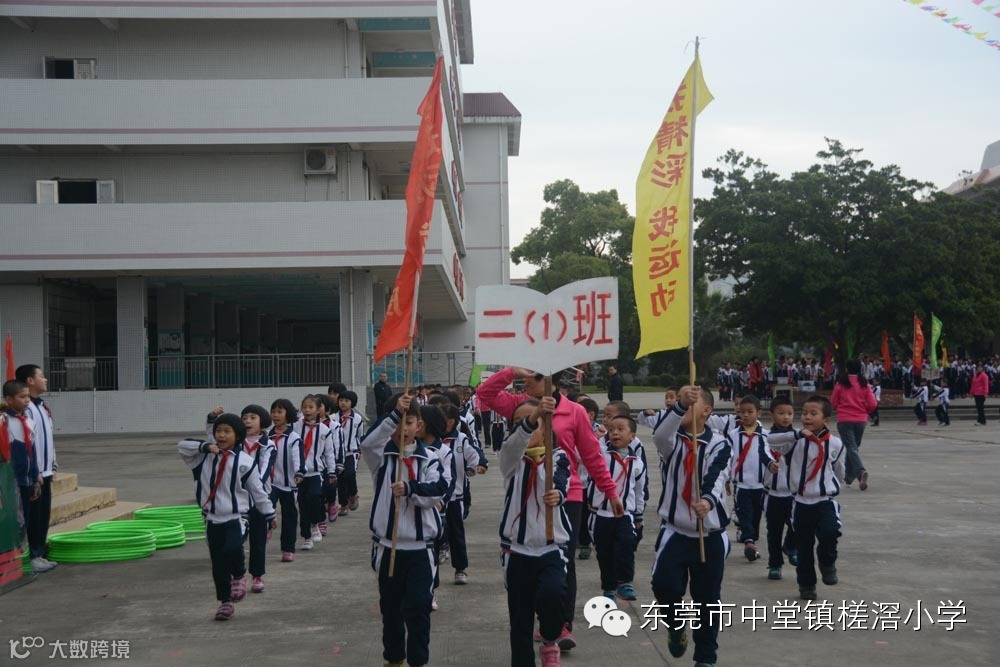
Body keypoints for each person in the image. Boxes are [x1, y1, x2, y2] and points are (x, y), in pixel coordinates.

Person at [477, 367, 624, 651]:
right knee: (528, 570)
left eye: (531, 376)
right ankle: (534, 620)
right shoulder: (520, 405)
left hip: (568, 494)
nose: (524, 381)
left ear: (548, 379)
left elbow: (591, 455)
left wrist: (611, 491)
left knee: (564, 561)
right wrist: (511, 372)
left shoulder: (574, 412)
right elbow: (485, 394)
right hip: (527, 496)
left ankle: (560, 625)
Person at [361, 394, 448, 667]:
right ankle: (394, 659)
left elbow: (438, 491)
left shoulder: (431, 458)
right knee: (391, 609)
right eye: (397, 423)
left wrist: (410, 489)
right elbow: (367, 443)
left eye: (408, 422)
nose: (402, 429)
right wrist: (395, 414)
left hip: (421, 550)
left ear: (419, 425)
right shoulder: (381, 458)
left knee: (418, 607)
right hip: (388, 547)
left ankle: (418, 661)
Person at [651, 386, 731, 667]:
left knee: (707, 600)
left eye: (692, 404)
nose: (685, 407)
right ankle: (675, 626)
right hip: (675, 531)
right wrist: (681, 405)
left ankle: (706, 657)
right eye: (682, 404)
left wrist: (707, 500)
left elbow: (717, 474)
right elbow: (659, 435)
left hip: (709, 534)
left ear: (707, 411)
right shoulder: (671, 441)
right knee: (664, 585)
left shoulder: (720, 443)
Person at [178, 413, 276, 621]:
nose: (221, 435)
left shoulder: (245, 462)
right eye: (218, 431)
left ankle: (239, 574)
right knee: (218, 562)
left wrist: (269, 513)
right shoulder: (203, 458)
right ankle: (225, 602)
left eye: (227, 431)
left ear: (238, 435)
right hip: (211, 518)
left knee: (232, 548)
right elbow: (183, 446)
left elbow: (257, 491)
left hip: (237, 516)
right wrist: (206, 447)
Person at [499, 397, 570, 667]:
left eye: (532, 422)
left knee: (553, 595)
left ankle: (550, 639)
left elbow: (562, 479)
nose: (524, 428)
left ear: (547, 428)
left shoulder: (558, 457)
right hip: (516, 550)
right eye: (518, 423)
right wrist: (533, 416)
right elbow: (513, 445)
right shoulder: (511, 460)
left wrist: (558, 494)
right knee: (520, 617)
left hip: (551, 548)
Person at [767, 396, 846, 601]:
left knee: (830, 532)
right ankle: (807, 585)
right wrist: (796, 434)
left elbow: (839, 470)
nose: (807, 417)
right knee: (804, 546)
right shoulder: (794, 441)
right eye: (804, 413)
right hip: (801, 502)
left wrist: (832, 485)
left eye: (813, 413)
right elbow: (770, 440)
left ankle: (827, 562)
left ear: (826, 419)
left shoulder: (835, 443)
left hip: (824, 500)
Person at [207, 404, 276, 594]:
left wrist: (254, 489)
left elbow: (263, 470)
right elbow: (213, 440)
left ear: (262, 422)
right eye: (244, 417)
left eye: (253, 417)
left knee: (258, 539)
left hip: (259, 497)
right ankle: (237, 573)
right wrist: (211, 419)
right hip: (238, 500)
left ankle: (257, 575)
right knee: (235, 542)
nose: (247, 421)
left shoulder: (268, 444)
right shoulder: (236, 441)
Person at [586, 415, 646, 602]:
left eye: (621, 429)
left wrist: (638, 515)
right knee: (604, 554)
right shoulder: (601, 455)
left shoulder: (637, 463)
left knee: (626, 545)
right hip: (601, 514)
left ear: (632, 436)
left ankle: (625, 582)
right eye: (612, 430)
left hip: (625, 515)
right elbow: (586, 451)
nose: (615, 433)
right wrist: (595, 436)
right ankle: (609, 589)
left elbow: (639, 491)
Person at [2, 380, 48, 572]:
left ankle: (31, 558)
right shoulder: (4, 422)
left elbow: (33, 452)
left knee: (28, 520)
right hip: (11, 482)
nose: (27, 400)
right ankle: (12, 562)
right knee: (14, 523)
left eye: (28, 396)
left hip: (28, 480)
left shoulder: (28, 422)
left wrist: (36, 477)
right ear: (9, 399)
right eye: (22, 397)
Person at [16, 364, 56, 569]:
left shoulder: (42, 407)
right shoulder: (27, 409)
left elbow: (48, 439)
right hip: (36, 474)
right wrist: (36, 471)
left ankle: (39, 554)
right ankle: (33, 555)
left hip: (46, 471)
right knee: (34, 516)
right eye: (41, 376)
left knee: (43, 515)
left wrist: (53, 465)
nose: (45, 379)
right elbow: (29, 443)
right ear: (30, 381)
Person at [728, 395, 773, 562]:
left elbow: (770, 456)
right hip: (741, 484)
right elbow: (728, 458)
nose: (745, 415)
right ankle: (749, 542)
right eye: (742, 412)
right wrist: (726, 479)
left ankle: (751, 539)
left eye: (750, 412)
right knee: (744, 514)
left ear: (759, 413)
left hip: (760, 485)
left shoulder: (766, 436)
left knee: (756, 516)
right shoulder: (733, 435)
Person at [292, 395, 339, 550]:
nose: (307, 410)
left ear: (319, 410)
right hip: (299, 474)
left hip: (315, 473)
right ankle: (306, 537)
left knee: (315, 497)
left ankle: (315, 523)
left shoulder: (324, 430)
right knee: (302, 505)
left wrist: (331, 472)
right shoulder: (296, 426)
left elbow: (329, 452)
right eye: (305, 407)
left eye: (311, 407)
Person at [830, 359, 877, 491]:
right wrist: (864, 410)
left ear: (847, 368)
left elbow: (833, 402)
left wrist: (840, 407)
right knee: (853, 448)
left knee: (851, 448)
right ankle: (848, 478)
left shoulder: (841, 383)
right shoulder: (864, 384)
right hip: (861, 420)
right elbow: (873, 404)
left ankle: (860, 472)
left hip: (845, 419)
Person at [764, 397, 797, 580]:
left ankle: (791, 546)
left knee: (798, 526)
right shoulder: (766, 438)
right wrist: (769, 464)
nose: (786, 417)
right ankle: (775, 564)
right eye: (781, 413)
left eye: (790, 413)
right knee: (774, 532)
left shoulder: (799, 438)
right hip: (774, 493)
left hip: (794, 494)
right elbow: (761, 455)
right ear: (772, 415)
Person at [268, 399, 304, 562]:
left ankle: (288, 548)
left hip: (289, 484)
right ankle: (266, 530)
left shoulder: (294, 438)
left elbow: (297, 458)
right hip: (270, 484)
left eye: (279, 412)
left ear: (288, 415)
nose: (275, 415)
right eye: (273, 412)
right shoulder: (267, 436)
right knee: (265, 510)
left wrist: (299, 472)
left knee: (289, 516)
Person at [337, 390, 364, 515]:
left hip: (351, 452)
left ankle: (353, 494)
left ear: (352, 403)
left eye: (346, 401)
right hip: (338, 454)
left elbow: (360, 435)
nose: (343, 403)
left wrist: (360, 449)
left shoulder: (357, 419)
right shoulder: (334, 417)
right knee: (341, 480)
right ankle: (343, 505)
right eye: (341, 400)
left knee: (350, 474)